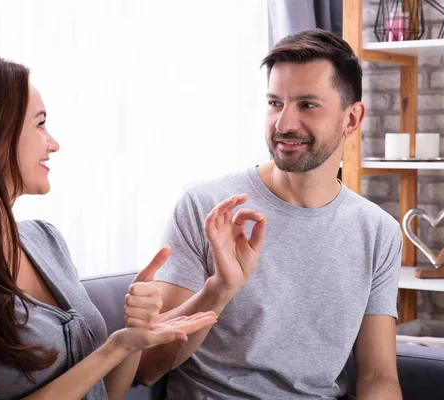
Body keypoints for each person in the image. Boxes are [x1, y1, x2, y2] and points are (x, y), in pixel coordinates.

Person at [0, 55, 218, 400]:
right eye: (39, 124)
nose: (53, 143)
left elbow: (104, 393)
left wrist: (132, 336)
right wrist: (111, 349)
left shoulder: (45, 239)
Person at [136, 29, 403, 399]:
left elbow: (378, 378)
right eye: (275, 103)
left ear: (352, 119)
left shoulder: (378, 232)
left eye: (307, 105)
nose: (283, 124)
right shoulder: (206, 205)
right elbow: (149, 368)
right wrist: (221, 289)